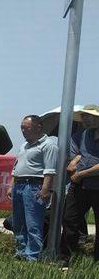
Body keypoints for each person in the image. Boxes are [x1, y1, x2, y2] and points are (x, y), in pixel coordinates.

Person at [9, 115, 57, 261]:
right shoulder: (24, 145)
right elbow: (16, 167)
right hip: (19, 184)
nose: (23, 130)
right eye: (22, 128)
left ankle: (32, 256)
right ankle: (21, 251)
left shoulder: (48, 145)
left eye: (27, 127)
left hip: (34, 185)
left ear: (38, 127)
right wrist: (11, 185)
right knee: (18, 222)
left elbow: (50, 170)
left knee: (33, 223)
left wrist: (45, 189)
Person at [61, 104, 99, 263]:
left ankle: (96, 262)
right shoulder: (81, 135)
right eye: (83, 116)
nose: (85, 119)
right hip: (79, 186)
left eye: (89, 116)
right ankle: (65, 258)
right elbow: (76, 155)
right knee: (69, 219)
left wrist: (81, 173)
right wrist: (75, 162)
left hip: (92, 184)